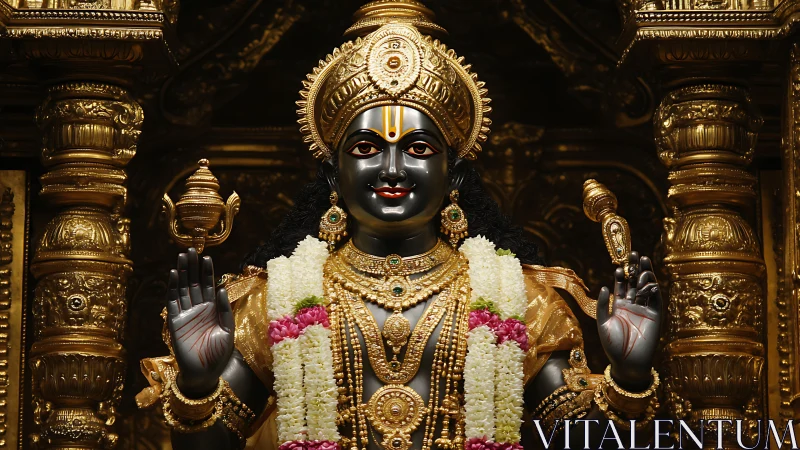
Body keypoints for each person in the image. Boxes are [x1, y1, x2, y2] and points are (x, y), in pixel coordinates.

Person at [137, 2, 662, 449]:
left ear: (452, 171)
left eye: (417, 149)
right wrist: (200, 384)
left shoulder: (518, 298)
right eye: (367, 149)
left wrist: (629, 378)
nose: (391, 169)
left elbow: (574, 438)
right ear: (332, 173)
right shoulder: (277, 299)